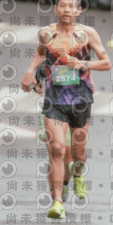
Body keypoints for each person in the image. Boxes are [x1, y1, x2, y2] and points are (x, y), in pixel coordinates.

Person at [21, 0, 111, 219]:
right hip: (54, 98)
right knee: (58, 149)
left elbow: (106, 63)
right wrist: (30, 72)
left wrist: (83, 64)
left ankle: (78, 175)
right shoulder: (46, 33)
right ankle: (57, 202)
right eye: (63, 5)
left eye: (72, 6)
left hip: (81, 99)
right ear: (55, 8)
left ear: (78, 10)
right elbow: (40, 54)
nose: (67, 10)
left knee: (78, 156)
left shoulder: (87, 33)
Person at [34, 60, 73, 203]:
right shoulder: (46, 63)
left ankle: (65, 182)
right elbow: (37, 84)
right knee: (55, 153)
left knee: (69, 157)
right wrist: (37, 83)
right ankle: (55, 196)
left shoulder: (78, 61)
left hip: (72, 113)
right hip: (50, 113)